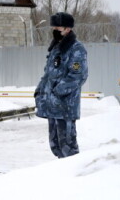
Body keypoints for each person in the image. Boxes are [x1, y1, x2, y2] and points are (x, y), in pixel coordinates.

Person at [34, 11, 88, 158]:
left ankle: (75, 176)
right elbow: (48, 74)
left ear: (67, 29)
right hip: (52, 106)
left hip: (65, 106)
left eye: (58, 28)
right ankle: (62, 175)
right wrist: (40, 91)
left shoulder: (76, 49)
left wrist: (57, 92)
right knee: (55, 145)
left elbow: (78, 76)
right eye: (54, 27)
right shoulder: (56, 48)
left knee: (68, 146)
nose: (55, 30)